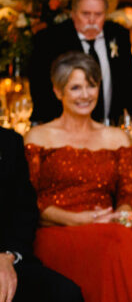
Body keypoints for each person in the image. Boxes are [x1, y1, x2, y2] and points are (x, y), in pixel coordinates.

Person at [22, 52, 132, 301]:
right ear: (58, 91)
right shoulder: (37, 138)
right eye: (76, 87)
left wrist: (123, 212)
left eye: (91, 85)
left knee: (125, 246)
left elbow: (130, 193)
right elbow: (26, 202)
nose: (86, 94)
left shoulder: (117, 138)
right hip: (54, 232)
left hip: (109, 229)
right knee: (120, 248)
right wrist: (77, 220)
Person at [28, 0, 132, 125]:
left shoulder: (118, 34)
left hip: (109, 125)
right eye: (86, 14)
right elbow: (40, 86)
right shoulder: (50, 39)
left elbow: (130, 79)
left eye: (98, 14)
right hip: (63, 127)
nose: (92, 20)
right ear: (74, 14)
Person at [0, 126, 83, 302]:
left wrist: (7, 255)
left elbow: (24, 210)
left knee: (66, 294)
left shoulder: (9, 141)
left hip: (5, 259)